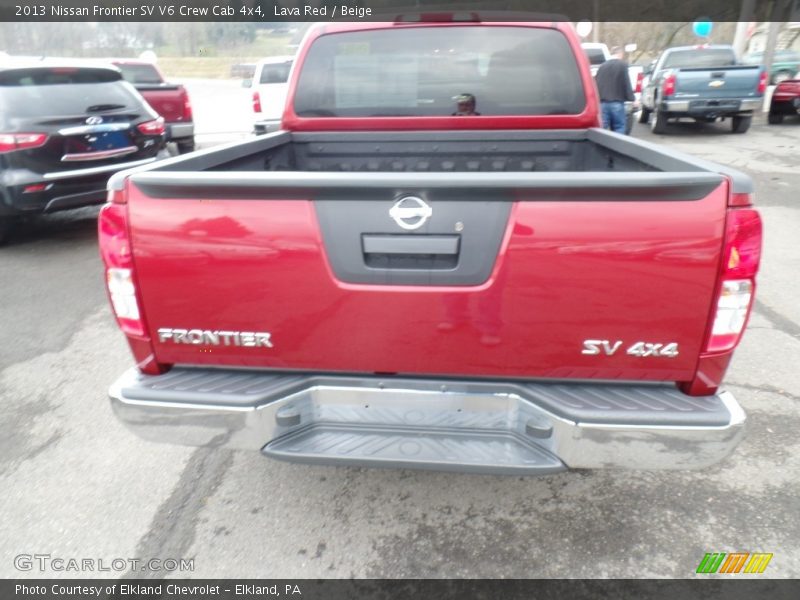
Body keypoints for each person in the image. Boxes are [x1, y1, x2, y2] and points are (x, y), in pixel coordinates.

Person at [594, 47, 635, 134]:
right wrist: (632, 99)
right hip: (617, 103)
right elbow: (626, 82)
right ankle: (616, 146)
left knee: (602, 130)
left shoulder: (602, 66)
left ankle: (601, 146)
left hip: (603, 103)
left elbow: (596, 83)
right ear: (620, 54)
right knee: (619, 127)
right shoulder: (622, 65)